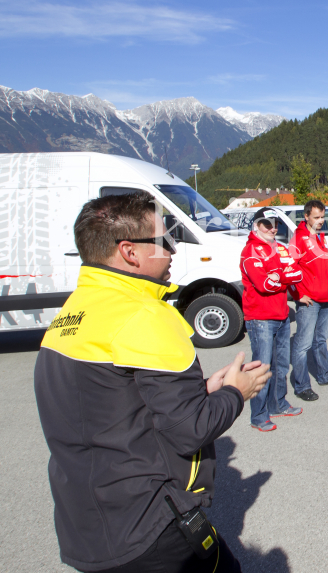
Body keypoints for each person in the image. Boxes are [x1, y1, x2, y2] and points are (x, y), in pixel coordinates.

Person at [35, 192, 270, 572]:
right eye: (164, 240)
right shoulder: (146, 314)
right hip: (151, 525)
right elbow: (191, 430)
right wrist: (235, 393)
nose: (174, 250)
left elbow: (114, 405)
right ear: (130, 251)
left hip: (86, 523)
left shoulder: (73, 311)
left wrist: (202, 391)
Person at [241, 207, 304, 432]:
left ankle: (278, 404)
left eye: (275, 223)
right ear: (257, 225)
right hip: (260, 317)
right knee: (262, 369)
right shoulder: (250, 251)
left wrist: (280, 276)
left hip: (282, 314)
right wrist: (282, 277)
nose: (272, 228)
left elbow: (297, 273)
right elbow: (264, 285)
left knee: (280, 367)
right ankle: (258, 416)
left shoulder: (280, 248)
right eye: (267, 224)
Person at [289, 199, 328, 402]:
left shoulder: (320, 237)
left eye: (323, 217)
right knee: (302, 345)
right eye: (317, 217)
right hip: (309, 301)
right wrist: (298, 295)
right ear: (306, 217)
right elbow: (289, 270)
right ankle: (302, 386)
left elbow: (326, 266)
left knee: (320, 339)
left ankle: (326, 375)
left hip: (325, 297)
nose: (321, 220)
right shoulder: (298, 238)